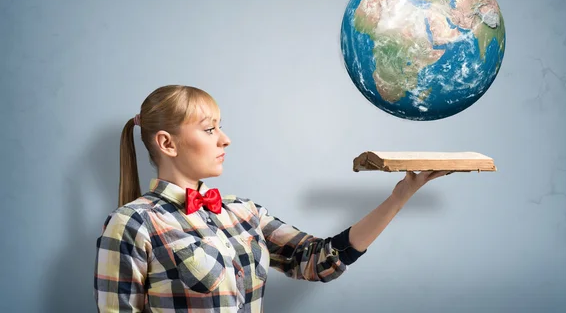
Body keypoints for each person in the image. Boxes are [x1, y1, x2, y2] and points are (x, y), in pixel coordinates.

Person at [94, 85, 452, 312]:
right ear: (167, 143)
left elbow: (318, 261)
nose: (225, 139)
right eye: (209, 129)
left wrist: (401, 196)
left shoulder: (243, 212)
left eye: (220, 126)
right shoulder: (133, 223)